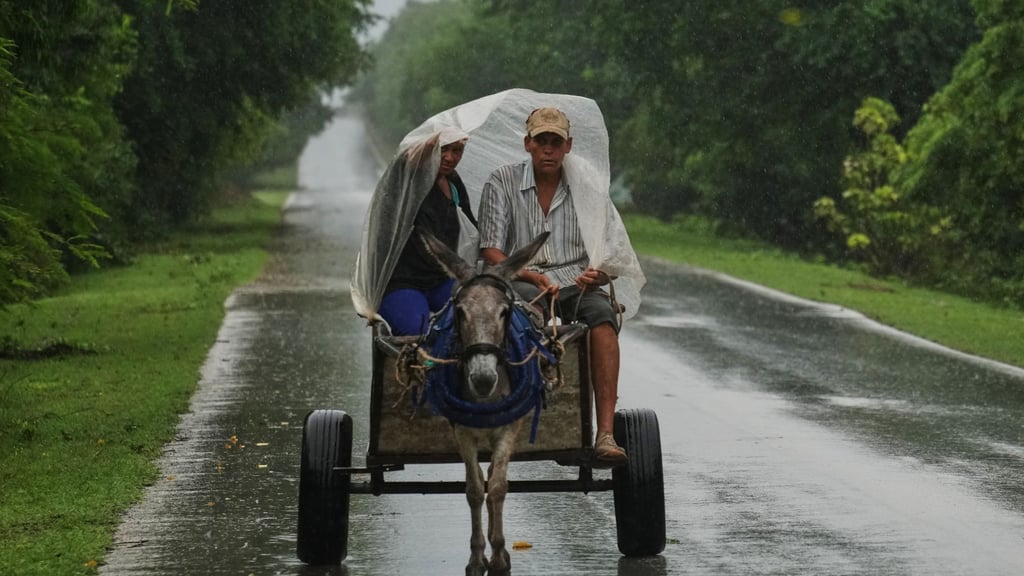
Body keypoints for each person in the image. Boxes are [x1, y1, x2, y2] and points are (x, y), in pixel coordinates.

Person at [477, 107, 635, 466]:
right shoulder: (501, 181)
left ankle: (605, 433)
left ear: (568, 146)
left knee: (602, 316)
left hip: (576, 283)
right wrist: (529, 275)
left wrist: (600, 275)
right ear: (528, 144)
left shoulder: (587, 186)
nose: (548, 149)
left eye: (556, 142)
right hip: (521, 280)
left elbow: (610, 253)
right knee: (519, 315)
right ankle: (515, 410)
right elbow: (491, 249)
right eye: (541, 141)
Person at [374, 131, 478, 335]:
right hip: (403, 283)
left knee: (476, 319)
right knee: (419, 334)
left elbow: (472, 228)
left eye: (457, 151)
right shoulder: (406, 181)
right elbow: (406, 160)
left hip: (442, 279)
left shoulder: (453, 182)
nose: (449, 157)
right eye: (442, 150)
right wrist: (437, 133)